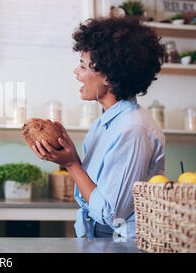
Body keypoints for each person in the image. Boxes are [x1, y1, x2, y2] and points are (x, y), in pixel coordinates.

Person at [30, 17, 165, 238]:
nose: (76, 71)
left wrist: (71, 164)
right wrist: (70, 155)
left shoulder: (133, 130)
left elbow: (111, 215)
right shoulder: (104, 123)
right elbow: (98, 189)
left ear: (109, 77)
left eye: (83, 65)